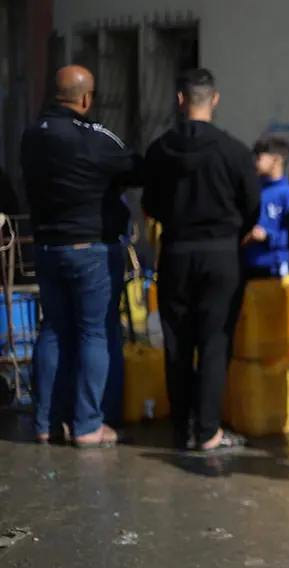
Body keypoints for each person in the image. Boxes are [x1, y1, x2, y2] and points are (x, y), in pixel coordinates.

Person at [21, 65, 141, 447]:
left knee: (52, 330)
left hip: (45, 247)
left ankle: (45, 421)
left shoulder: (31, 136)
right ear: (86, 99)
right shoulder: (93, 137)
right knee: (94, 332)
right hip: (89, 248)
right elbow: (134, 168)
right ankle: (89, 424)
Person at [142, 68, 261, 452]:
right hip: (221, 253)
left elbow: (151, 204)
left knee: (177, 341)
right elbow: (252, 206)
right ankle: (208, 430)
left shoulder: (159, 150)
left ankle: (182, 427)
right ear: (214, 99)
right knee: (214, 340)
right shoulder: (235, 151)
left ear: (179, 100)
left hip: (175, 252)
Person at [242, 137, 289, 277]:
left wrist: (268, 237)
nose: (255, 162)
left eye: (259, 157)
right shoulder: (252, 190)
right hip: (249, 265)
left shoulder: (287, 193)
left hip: (275, 267)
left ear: (276, 160)